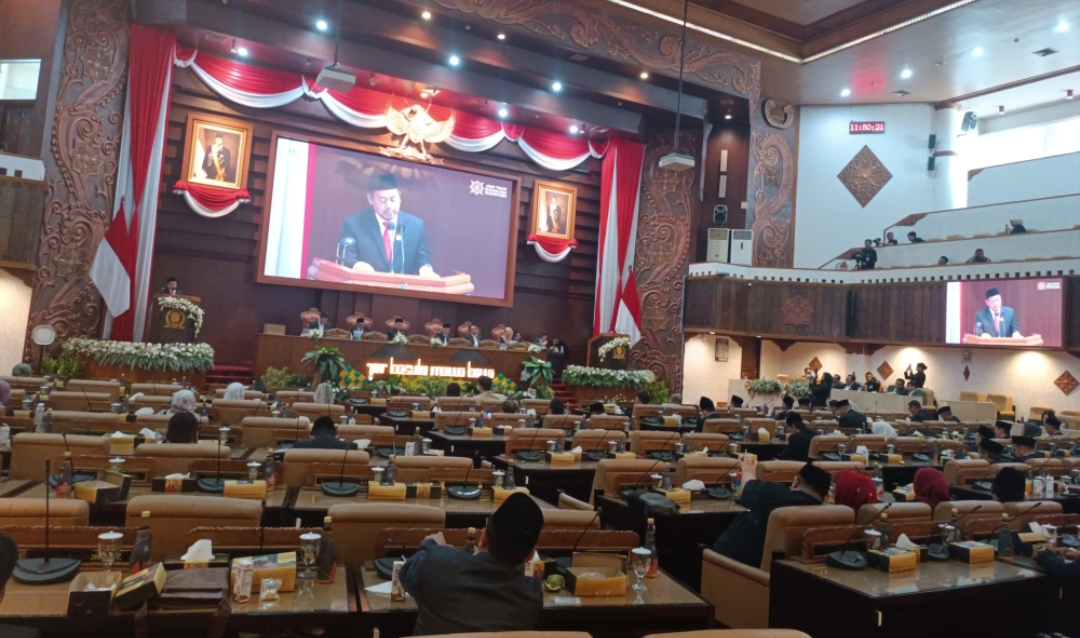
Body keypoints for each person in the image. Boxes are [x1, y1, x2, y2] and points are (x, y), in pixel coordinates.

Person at [400, 493, 544, 635]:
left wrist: (431, 545)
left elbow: (406, 573)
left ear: (483, 536)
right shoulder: (531, 597)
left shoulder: (437, 563)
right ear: (529, 557)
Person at [711, 457, 830, 567]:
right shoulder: (829, 514)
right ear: (825, 495)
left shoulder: (777, 495)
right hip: (781, 574)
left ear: (795, 481)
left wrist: (747, 470)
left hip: (732, 566)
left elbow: (748, 487)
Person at [338, 172, 435, 276]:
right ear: (370, 199)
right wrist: (357, 265)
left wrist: (425, 269)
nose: (389, 205)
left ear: (399, 196)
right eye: (382, 200)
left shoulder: (416, 226)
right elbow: (346, 257)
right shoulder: (353, 223)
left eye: (393, 199)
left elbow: (422, 259)